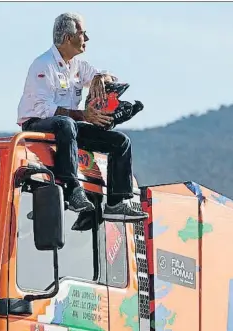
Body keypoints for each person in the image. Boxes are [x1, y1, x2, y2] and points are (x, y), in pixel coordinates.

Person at [16, 12, 148, 222]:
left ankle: (115, 204)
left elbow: (108, 75)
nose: (86, 39)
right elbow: (43, 109)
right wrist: (84, 115)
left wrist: (100, 77)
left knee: (120, 142)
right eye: (83, 33)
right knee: (66, 124)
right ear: (69, 38)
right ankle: (71, 190)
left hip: (69, 127)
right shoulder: (43, 65)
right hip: (37, 123)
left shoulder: (78, 65)